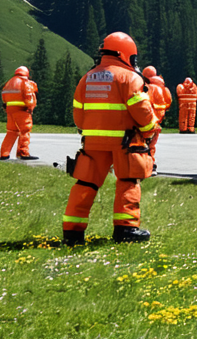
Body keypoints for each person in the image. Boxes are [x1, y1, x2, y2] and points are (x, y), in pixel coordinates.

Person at [62, 32, 160, 245]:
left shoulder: (87, 77)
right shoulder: (130, 77)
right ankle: (126, 230)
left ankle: (72, 232)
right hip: (124, 142)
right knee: (127, 181)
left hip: (93, 142)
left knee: (85, 184)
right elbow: (141, 110)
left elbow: (78, 113)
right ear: (124, 54)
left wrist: (89, 131)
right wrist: (150, 129)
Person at [0, 66, 37, 160]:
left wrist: (6, 106)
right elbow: (28, 95)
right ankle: (23, 153)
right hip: (22, 109)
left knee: (12, 132)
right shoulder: (25, 82)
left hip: (10, 109)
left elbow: (4, 95)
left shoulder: (9, 83)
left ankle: (4, 154)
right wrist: (30, 107)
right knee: (25, 130)